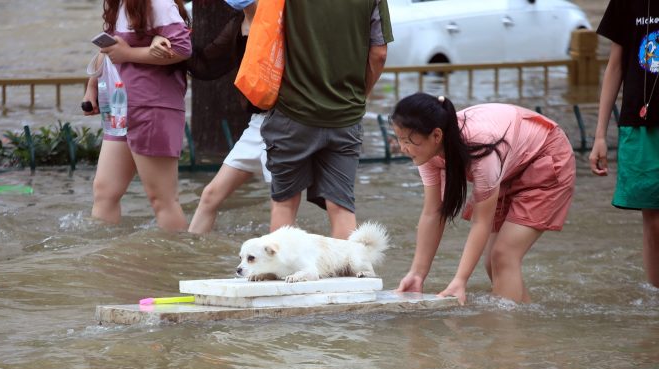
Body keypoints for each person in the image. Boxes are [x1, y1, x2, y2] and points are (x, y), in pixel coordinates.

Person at [390, 93, 576, 304]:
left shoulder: (482, 147)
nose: (403, 148)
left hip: (544, 156)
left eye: (407, 141)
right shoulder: (426, 152)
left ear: (436, 135)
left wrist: (460, 280)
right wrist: (417, 274)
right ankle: (526, 326)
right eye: (399, 139)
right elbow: (433, 212)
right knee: (493, 263)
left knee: (503, 256)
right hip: (510, 166)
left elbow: (482, 221)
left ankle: (507, 333)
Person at [260, 0, 393, 239]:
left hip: (292, 111)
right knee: (341, 206)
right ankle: (345, 273)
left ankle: (278, 274)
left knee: (284, 204)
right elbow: (379, 53)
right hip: (346, 115)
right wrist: (360, 95)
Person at [83, 0, 191, 230]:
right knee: (104, 191)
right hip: (121, 107)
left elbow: (183, 48)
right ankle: (105, 260)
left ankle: (176, 261)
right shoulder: (118, 5)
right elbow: (109, 50)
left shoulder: (159, 4)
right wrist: (92, 86)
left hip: (153, 107)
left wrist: (129, 53)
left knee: (162, 199)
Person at [185, 0, 273, 234]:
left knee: (282, 203)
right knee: (210, 196)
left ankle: (288, 265)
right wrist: (176, 45)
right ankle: (191, 259)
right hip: (258, 123)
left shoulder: (279, 20)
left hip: (285, 121)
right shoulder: (238, 23)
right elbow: (207, 63)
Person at [588, 0, 659, 288]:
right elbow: (615, 66)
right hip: (641, 125)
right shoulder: (627, 2)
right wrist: (600, 136)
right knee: (653, 223)